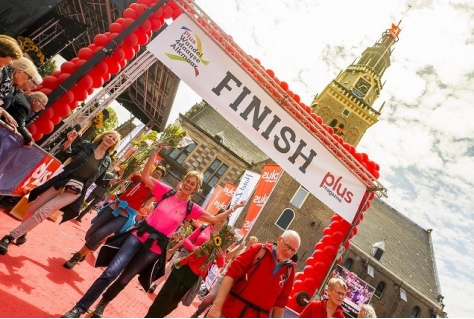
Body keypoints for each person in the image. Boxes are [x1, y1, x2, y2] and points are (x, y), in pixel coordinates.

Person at [61, 148, 246, 318]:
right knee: (112, 271)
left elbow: (214, 219)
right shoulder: (166, 191)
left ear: (196, 190)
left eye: (193, 184)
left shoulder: (191, 208)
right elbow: (146, 177)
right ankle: (80, 308)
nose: (189, 185)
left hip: (155, 247)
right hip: (138, 235)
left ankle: (102, 304)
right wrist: (153, 154)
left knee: (125, 278)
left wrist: (234, 208)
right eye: (188, 181)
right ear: (183, 182)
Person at [0, 130, 121, 255]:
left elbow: (100, 180)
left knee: (43, 212)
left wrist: (112, 181)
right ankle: (24, 231)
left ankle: (9, 237)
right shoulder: (86, 145)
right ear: (103, 136)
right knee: (32, 210)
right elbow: (67, 153)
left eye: (114, 139)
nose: (110, 139)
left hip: (76, 190)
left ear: (114, 144)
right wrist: (69, 141)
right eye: (110, 136)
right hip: (62, 180)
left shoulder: (107, 161)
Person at [63, 167, 166, 269]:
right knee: (91, 232)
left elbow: (150, 203)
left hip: (126, 216)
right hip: (114, 207)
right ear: (151, 171)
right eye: (156, 171)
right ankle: (86, 250)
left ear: (160, 179)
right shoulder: (139, 177)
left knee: (101, 233)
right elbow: (125, 175)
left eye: (159, 175)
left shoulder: (154, 191)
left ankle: (76, 257)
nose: (156, 174)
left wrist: (146, 209)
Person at [145, 209, 236, 317]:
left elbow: (221, 264)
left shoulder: (223, 241)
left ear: (226, 225)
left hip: (196, 274)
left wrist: (220, 255)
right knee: (165, 294)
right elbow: (187, 240)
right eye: (219, 218)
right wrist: (194, 248)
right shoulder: (204, 228)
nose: (220, 221)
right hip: (184, 264)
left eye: (223, 221)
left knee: (174, 301)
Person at [206, 230, 300, 318]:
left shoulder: (290, 270)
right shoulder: (258, 250)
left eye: (293, 250)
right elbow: (231, 274)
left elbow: (280, 304)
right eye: (287, 246)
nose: (289, 252)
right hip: (228, 312)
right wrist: (217, 306)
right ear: (279, 239)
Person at [190, 235, 259, 318]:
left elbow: (248, 274)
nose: (250, 246)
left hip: (236, 283)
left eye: (253, 245)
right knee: (213, 295)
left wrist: (246, 279)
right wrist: (238, 249)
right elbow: (226, 258)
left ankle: (207, 316)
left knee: (221, 303)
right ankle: (198, 312)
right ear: (247, 242)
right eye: (250, 243)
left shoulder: (253, 258)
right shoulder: (240, 249)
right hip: (226, 275)